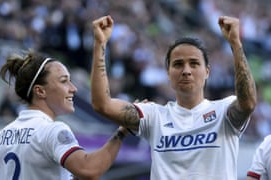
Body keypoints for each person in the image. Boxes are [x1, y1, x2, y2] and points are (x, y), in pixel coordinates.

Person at [90, 15, 257, 179]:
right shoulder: (154, 116)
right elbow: (102, 105)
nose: (186, 70)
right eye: (178, 64)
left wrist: (235, 44)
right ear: (168, 74)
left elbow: (248, 103)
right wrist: (100, 44)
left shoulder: (224, 111)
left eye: (194, 63)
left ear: (207, 72)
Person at [0, 51, 129, 180]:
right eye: (64, 81)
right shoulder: (53, 130)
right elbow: (89, 169)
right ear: (40, 91)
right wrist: (122, 132)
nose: (74, 88)